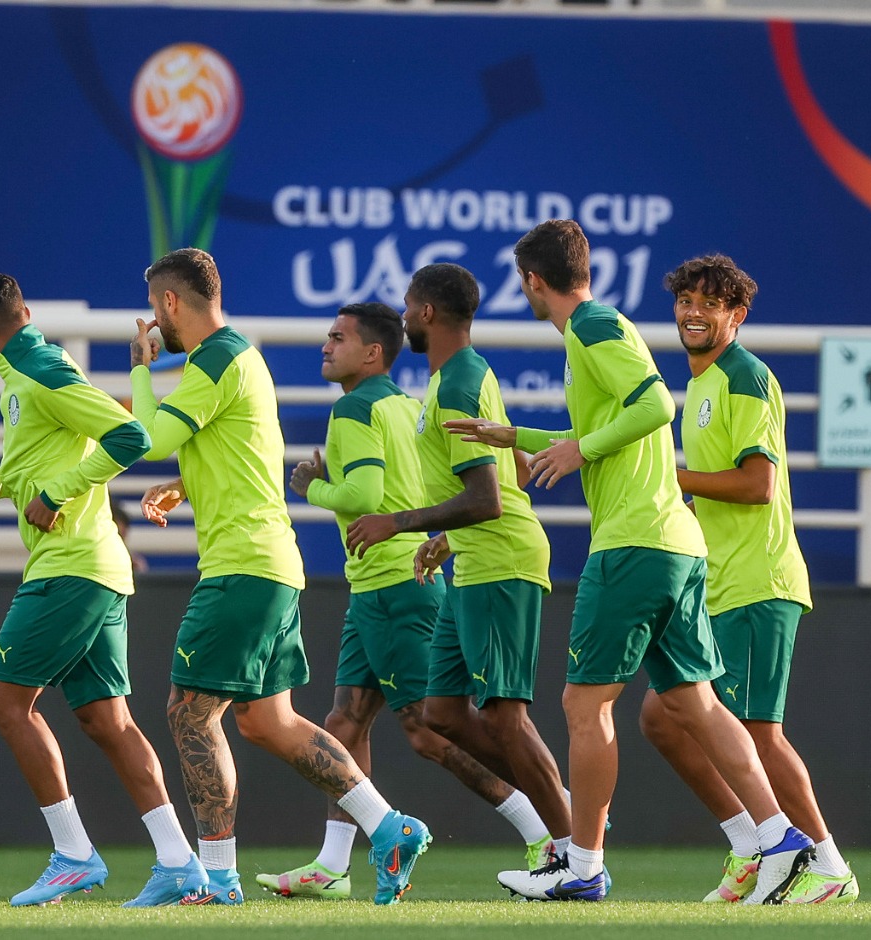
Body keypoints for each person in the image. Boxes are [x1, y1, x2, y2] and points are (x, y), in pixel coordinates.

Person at [453, 220, 813, 904]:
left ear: (533, 279)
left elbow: (653, 406)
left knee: (584, 705)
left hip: (634, 544)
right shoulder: (598, 326)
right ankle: (781, 838)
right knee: (695, 703)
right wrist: (516, 436)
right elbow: (613, 426)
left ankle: (582, 865)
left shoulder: (589, 326)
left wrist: (577, 451)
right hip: (676, 544)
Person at [127, 248, 431, 907]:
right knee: (268, 722)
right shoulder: (243, 358)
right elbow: (244, 451)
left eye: (157, 308)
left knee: (189, 713)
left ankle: (217, 879)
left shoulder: (213, 359)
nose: (155, 321)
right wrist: (189, 482)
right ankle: (389, 826)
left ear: (173, 303)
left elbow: (146, 438)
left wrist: (143, 375)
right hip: (272, 564)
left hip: (243, 568)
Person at [257, 303, 555, 899]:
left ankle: (549, 827)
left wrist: (309, 485)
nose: (325, 345)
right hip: (380, 585)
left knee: (429, 733)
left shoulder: (354, 407)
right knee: (345, 720)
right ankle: (333, 863)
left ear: (373, 352)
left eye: (338, 338)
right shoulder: (407, 405)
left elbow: (364, 494)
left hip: (395, 586)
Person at [0, 273, 202, 907]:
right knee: (107, 720)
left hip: (70, 568)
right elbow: (31, 475)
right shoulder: (23, 377)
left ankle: (74, 853)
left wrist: (57, 494)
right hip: (95, 567)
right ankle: (180, 862)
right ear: (24, 311)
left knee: (5, 703)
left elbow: (129, 437)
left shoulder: (41, 368)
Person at [636, 254, 858, 904]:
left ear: (736, 315)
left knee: (759, 731)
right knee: (661, 715)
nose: (693, 313)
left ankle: (827, 864)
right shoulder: (701, 384)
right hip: (719, 585)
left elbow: (759, 485)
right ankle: (748, 843)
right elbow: (717, 490)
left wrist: (673, 479)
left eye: (710, 304)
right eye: (685, 301)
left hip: (761, 582)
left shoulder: (745, 376)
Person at [344, 264, 573, 862]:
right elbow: (515, 472)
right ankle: (556, 812)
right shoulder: (454, 379)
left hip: (502, 561)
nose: (401, 316)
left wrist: (398, 522)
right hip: (471, 559)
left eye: (406, 305)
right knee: (440, 713)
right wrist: (445, 538)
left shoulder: (461, 382)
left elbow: (490, 497)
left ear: (425, 314)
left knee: (505, 718)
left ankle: (575, 846)